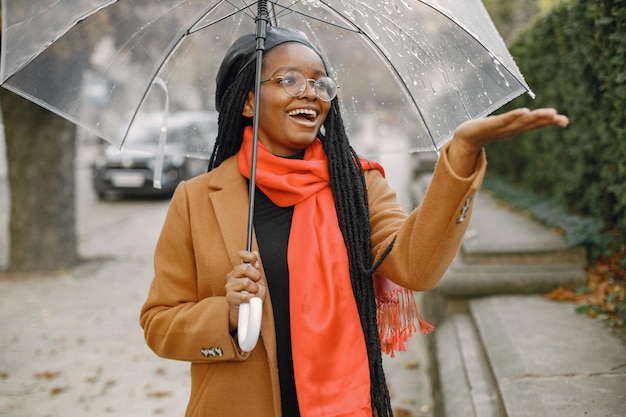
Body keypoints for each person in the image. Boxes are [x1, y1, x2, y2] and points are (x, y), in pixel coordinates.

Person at [140, 26, 569, 417]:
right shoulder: (196, 200)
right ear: (249, 100)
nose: (311, 93)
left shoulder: (357, 185)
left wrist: (460, 155)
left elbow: (415, 265)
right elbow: (159, 324)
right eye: (289, 80)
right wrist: (226, 314)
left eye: (321, 83)